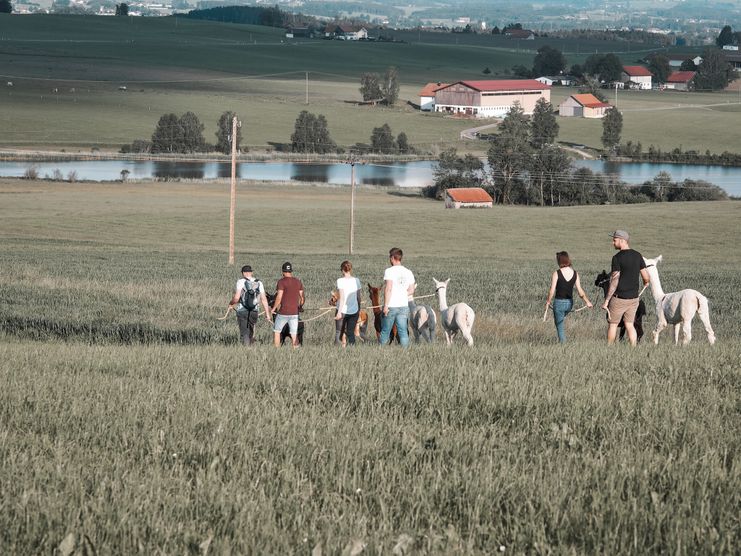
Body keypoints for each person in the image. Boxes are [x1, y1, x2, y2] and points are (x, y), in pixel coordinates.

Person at [601, 230, 650, 346]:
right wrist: (646, 282)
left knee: (613, 324)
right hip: (633, 299)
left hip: (619, 299)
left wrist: (607, 301)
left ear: (622, 241)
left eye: (614, 240)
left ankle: (608, 348)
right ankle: (633, 348)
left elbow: (614, 281)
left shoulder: (617, 258)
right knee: (629, 325)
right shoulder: (638, 255)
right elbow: (646, 276)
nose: (613, 243)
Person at [545, 251, 593, 343]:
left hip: (559, 303)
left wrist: (548, 302)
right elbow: (580, 291)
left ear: (560, 261)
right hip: (569, 304)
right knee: (561, 321)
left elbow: (552, 290)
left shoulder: (556, 273)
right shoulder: (575, 273)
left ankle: (563, 346)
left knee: (559, 326)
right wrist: (587, 302)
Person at [228, 265, 272, 346]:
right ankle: (250, 348)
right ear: (251, 272)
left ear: (243, 273)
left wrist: (231, 303)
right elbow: (264, 299)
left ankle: (246, 349)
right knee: (251, 332)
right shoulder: (259, 282)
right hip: (254, 311)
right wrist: (267, 314)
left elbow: (236, 298)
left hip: (242, 310)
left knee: (244, 332)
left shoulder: (240, 281)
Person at [380, 247, 415, 347]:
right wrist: (402, 294)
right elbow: (411, 290)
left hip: (391, 305)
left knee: (385, 331)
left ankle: (380, 351)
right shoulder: (408, 272)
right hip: (403, 306)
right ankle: (405, 352)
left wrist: (386, 306)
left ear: (392, 258)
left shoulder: (389, 271)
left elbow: (388, 289)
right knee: (403, 331)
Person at [272, 261, 304, 348]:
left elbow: (279, 297)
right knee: (294, 334)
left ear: (283, 271)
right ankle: (296, 350)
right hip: (294, 313)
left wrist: (273, 308)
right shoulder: (298, 282)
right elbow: (302, 297)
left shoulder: (281, 282)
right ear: (291, 271)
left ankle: (276, 350)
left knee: (277, 331)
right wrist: (300, 307)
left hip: (283, 312)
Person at [334, 260, 362, 346]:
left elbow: (342, 298)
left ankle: (337, 351)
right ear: (350, 269)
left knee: (339, 332)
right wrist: (358, 309)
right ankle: (352, 351)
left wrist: (339, 313)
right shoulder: (356, 280)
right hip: (354, 311)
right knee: (350, 333)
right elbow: (359, 297)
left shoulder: (340, 281)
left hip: (342, 311)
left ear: (342, 270)